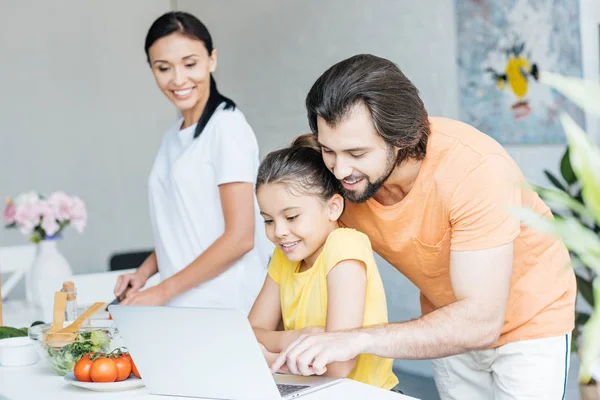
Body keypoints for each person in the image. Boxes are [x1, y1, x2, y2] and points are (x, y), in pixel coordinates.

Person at [271, 54, 576, 399]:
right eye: (329, 150)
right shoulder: (338, 186)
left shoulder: (475, 171)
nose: (340, 171)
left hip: (530, 320)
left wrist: (357, 338)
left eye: (357, 154)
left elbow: (480, 322)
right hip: (445, 320)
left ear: (402, 138)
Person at [113, 12, 270, 313]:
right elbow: (183, 227)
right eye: (163, 68)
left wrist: (162, 291)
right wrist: (143, 274)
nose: (178, 79)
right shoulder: (173, 136)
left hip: (224, 306)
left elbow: (240, 238)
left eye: (190, 64)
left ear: (211, 60)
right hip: (182, 305)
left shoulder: (227, 128)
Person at [248, 136, 400, 392]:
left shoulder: (344, 245)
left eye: (292, 216)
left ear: (332, 208)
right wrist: (296, 338)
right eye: (268, 221)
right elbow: (249, 334)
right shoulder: (285, 256)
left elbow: (338, 366)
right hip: (309, 389)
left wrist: (273, 355)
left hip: (363, 394)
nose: (280, 232)